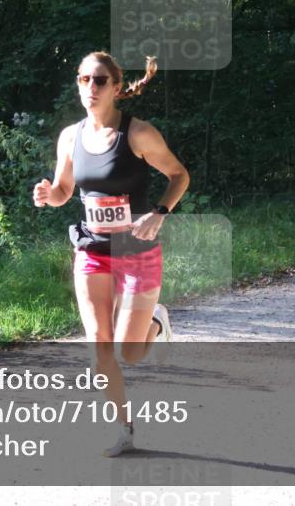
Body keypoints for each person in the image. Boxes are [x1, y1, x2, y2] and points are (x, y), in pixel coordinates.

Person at [32, 51, 190, 456]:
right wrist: (51, 196)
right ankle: (123, 428)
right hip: (92, 249)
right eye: (83, 79)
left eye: (100, 80)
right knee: (100, 347)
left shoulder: (138, 134)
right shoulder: (70, 136)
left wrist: (159, 213)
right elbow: (66, 190)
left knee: (130, 352)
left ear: (117, 88)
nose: (90, 87)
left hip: (136, 250)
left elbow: (179, 175)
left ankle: (156, 322)